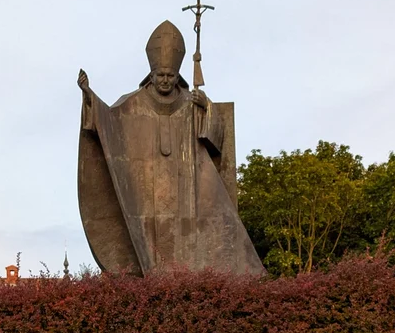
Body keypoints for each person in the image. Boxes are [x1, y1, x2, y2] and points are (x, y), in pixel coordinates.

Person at [76, 20, 265, 277]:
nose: (165, 81)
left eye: (170, 76)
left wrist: (207, 109)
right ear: (151, 76)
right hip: (147, 197)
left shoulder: (191, 102)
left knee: (188, 245)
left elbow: (217, 140)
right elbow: (108, 120)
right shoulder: (133, 103)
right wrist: (88, 96)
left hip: (186, 195)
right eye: (160, 76)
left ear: (178, 77)